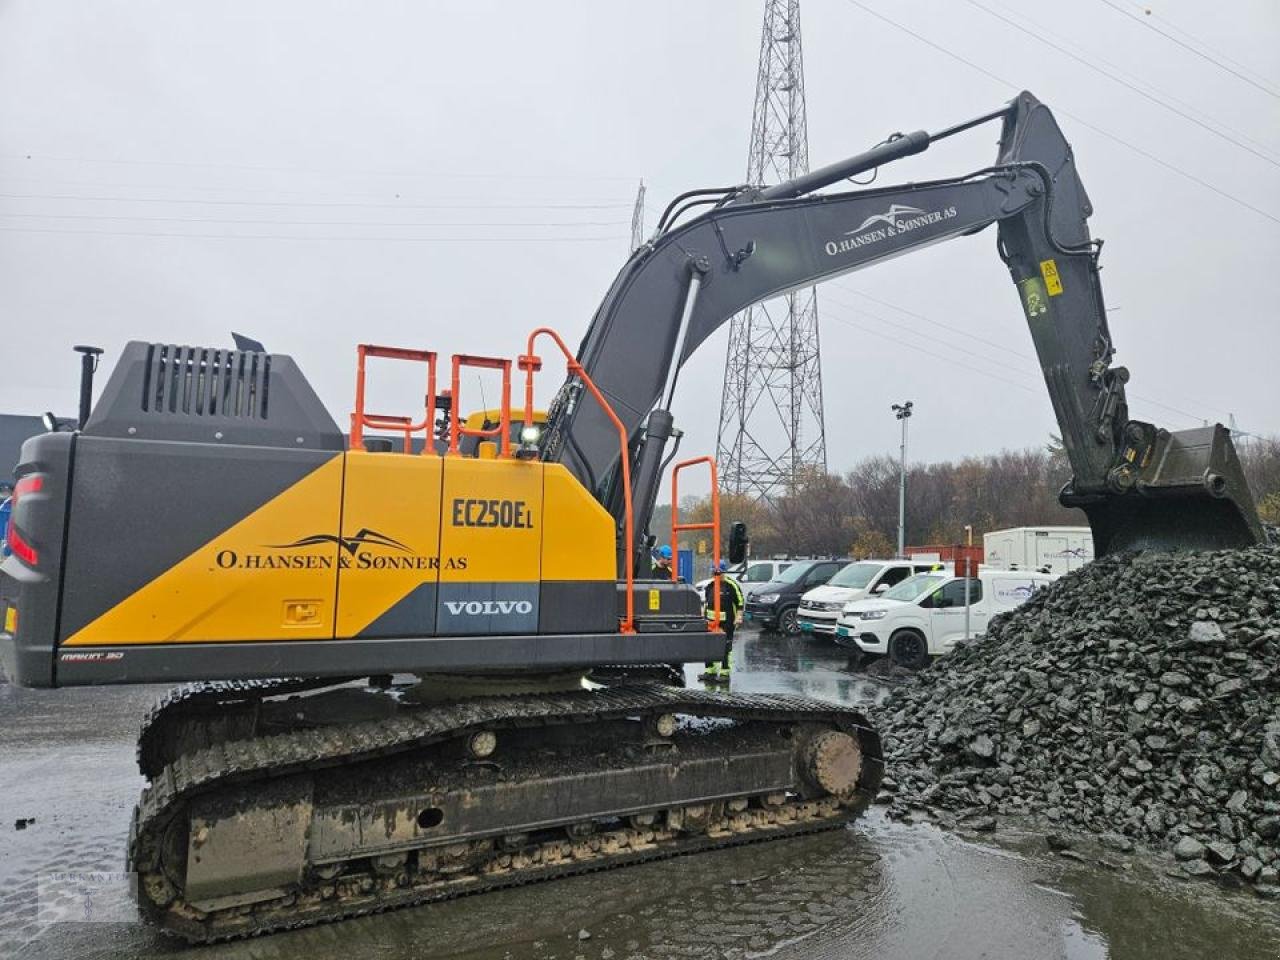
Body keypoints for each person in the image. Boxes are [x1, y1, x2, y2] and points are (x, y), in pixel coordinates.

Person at [700, 560, 743, 682]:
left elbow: (740, 603)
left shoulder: (731, 585)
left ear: (723, 572)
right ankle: (710, 670)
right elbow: (705, 603)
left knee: (726, 646)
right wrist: (703, 616)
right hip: (710, 622)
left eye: (717, 573)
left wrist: (738, 617)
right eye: (713, 572)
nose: (715, 575)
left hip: (727, 622)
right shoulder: (710, 586)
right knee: (708, 646)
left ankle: (725, 672)